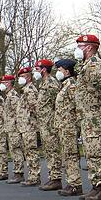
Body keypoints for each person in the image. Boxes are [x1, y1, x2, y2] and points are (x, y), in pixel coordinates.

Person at [74, 34, 101, 200]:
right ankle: (96, 186)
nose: (78, 50)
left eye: (80, 46)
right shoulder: (86, 66)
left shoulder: (94, 65)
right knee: (91, 153)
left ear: (89, 47)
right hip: (88, 117)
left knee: (97, 153)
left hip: (95, 117)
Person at [54, 58, 84, 197]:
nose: (57, 72)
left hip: (70, 126)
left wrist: (77, 125)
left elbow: (77, 104)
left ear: (66, 71)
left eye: (59, 70)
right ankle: (71, 182)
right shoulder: (64, 85)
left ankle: (75, 184)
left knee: (71, 155)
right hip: (63, 126)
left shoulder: (72, 85)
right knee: (67, 155)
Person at [35, 59, 63, 191]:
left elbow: (56, 104)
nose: (36, 72)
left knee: (53, 150)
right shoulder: (43, 84)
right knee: (49, 151)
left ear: (43, 69)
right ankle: (53, 177)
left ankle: (56, 178)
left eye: (37, 69)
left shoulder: (51, 83)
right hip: (44, 123)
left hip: (50, 123)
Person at [15, 66, 42, 187]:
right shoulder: (25, 90)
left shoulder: (30, 90)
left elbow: (35, 108)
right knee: (28, 152)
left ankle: (35, 176)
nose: (20, 79)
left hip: (29, 126)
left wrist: (35, 124)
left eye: (23, 77)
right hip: (24, 126)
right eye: (20, 77)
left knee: (31, 152)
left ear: (29, 77)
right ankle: (32, 175)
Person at [0, 74, 26, 184]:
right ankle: (17, 172)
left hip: (14, 128)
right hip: (10, 128)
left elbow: (18, 113)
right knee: (13, 150)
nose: (3, 85)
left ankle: (19, 173)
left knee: (16, 150)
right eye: (2, 83)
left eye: (5, 83)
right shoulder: (8, 96)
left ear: (10, 83)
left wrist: (17, 127)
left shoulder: (13, 96)